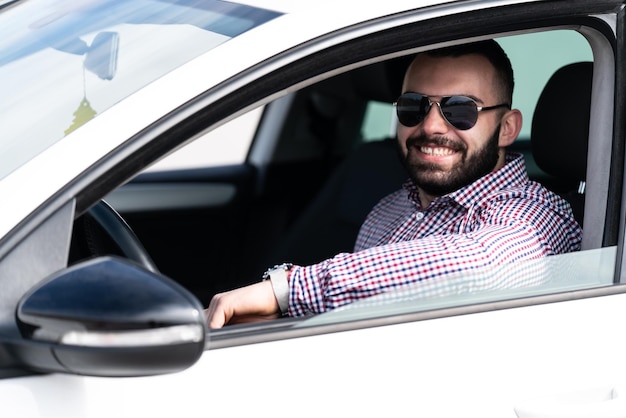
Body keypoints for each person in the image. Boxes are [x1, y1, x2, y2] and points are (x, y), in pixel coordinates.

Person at [205, 39, 583, 329]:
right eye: (413, 107)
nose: (432, 126)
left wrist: (288, 290)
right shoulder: (388, 209)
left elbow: (481, 265)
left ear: (507, 128)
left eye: (460, 110)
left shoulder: (537, 213)